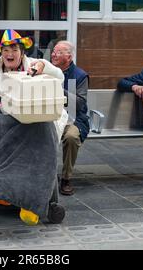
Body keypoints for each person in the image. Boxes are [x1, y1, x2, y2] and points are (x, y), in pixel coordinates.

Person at [0, 29, 67, 226]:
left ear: (22, 51)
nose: (9, 54)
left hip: (31, 120)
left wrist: (43, 65)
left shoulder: (34, 65)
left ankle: (33, 202)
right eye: (5, 49)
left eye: (14, 49)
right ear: (1, 52)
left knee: (45, 134)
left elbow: (59, 77)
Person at [50, 40, 89, 195]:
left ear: (69, 57)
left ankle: (66, 178)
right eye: (54, 51)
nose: (53, 54)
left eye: (59, 52)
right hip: (48, 115)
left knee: (72, 137)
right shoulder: (46, 70)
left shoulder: (79, 75)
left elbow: (79, 103)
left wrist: (60, 90)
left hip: (72, 118)